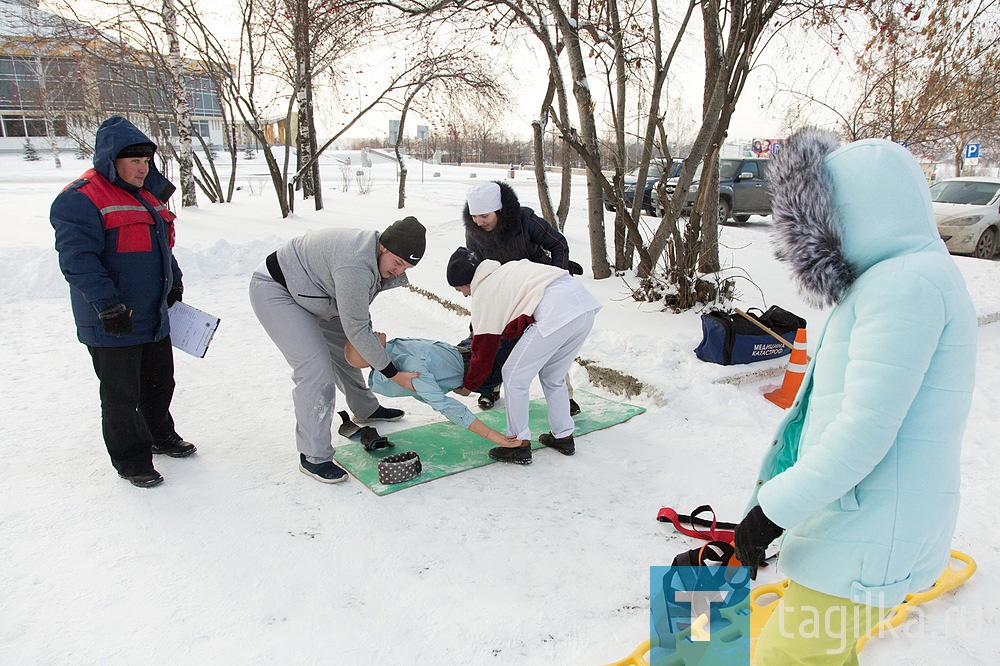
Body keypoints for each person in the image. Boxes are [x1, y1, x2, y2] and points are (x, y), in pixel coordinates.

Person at [733, 129, 977, 664]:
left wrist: (771, 512)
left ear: (848, 213)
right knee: (825, 653)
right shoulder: (899, 278)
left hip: (870, 530)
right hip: (861, 522)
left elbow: (861, 434)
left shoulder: (905, 287)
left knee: (786, 656)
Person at [50, 116, 196, 489]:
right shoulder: (80, 199)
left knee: (159, 382)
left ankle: (160, 435)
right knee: (120, 394)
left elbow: (163, 248)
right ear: (110, 160)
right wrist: (106, 304)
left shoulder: (146, 195)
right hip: (112, 318)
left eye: (146, 161)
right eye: (134, 162)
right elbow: (78, 260)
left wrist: (174, 285)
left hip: (152, 314)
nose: (143, 168)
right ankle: (132, 460)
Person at [249, 218, 425, 484]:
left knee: (348, 349)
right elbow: (358, 328)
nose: (399, 270)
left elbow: (358, 323)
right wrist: (393, 374)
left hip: (318, 294)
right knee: (315, 370)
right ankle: (313, 456)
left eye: (407, 267)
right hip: (278, 289)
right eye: (398, 262)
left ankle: (365, 408)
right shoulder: (355, 264)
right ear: (382, 246)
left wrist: (369, 348)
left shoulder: (376, 260)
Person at [446, 247, 601, 465]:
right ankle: (563, 436)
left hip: (556, 312)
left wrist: (469, 385)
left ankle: (517, 443)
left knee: (514, 376)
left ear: (466, 281)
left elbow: (484, 347)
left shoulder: (485, 291)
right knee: (553, 376)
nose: (464, 295)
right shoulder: (507, 269)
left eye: (459, 289)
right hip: (583, 306)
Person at [462, 181, 582, 413]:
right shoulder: (473, 232)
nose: (479, 222)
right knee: (494, 339)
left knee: (549, 340)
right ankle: (491, 388)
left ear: (498, 210)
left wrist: (556, 278)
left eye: (484, 215)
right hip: (501, 293)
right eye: (474, 216)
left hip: (535, 288)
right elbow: (477, 265)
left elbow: (558, 244)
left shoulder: (524, 219)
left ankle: (564, 397)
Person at [344, 333, 515, 448]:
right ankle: (492, 387)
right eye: (367, 337)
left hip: (465, 351)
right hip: (481, 371)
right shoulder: (410, 367)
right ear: (373, 352)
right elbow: (442, 404)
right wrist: (491, 434)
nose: (370, 330)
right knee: (516, 334)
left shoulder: (392, 348)